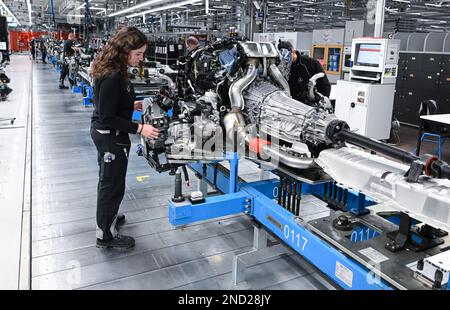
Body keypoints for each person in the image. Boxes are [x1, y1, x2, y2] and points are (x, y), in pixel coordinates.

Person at [90, 28, 160, 249]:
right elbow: (107, 116)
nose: (141, 59)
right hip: (110, 136)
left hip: (108, 134)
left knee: (110, 180)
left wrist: (131, 105)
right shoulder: (112, 76)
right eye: (138, 54)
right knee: (112, 185)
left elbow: (108, 104)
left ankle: (109, 217)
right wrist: (140, 128)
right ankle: (105, 235)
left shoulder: (116, 69)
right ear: (124, 51)